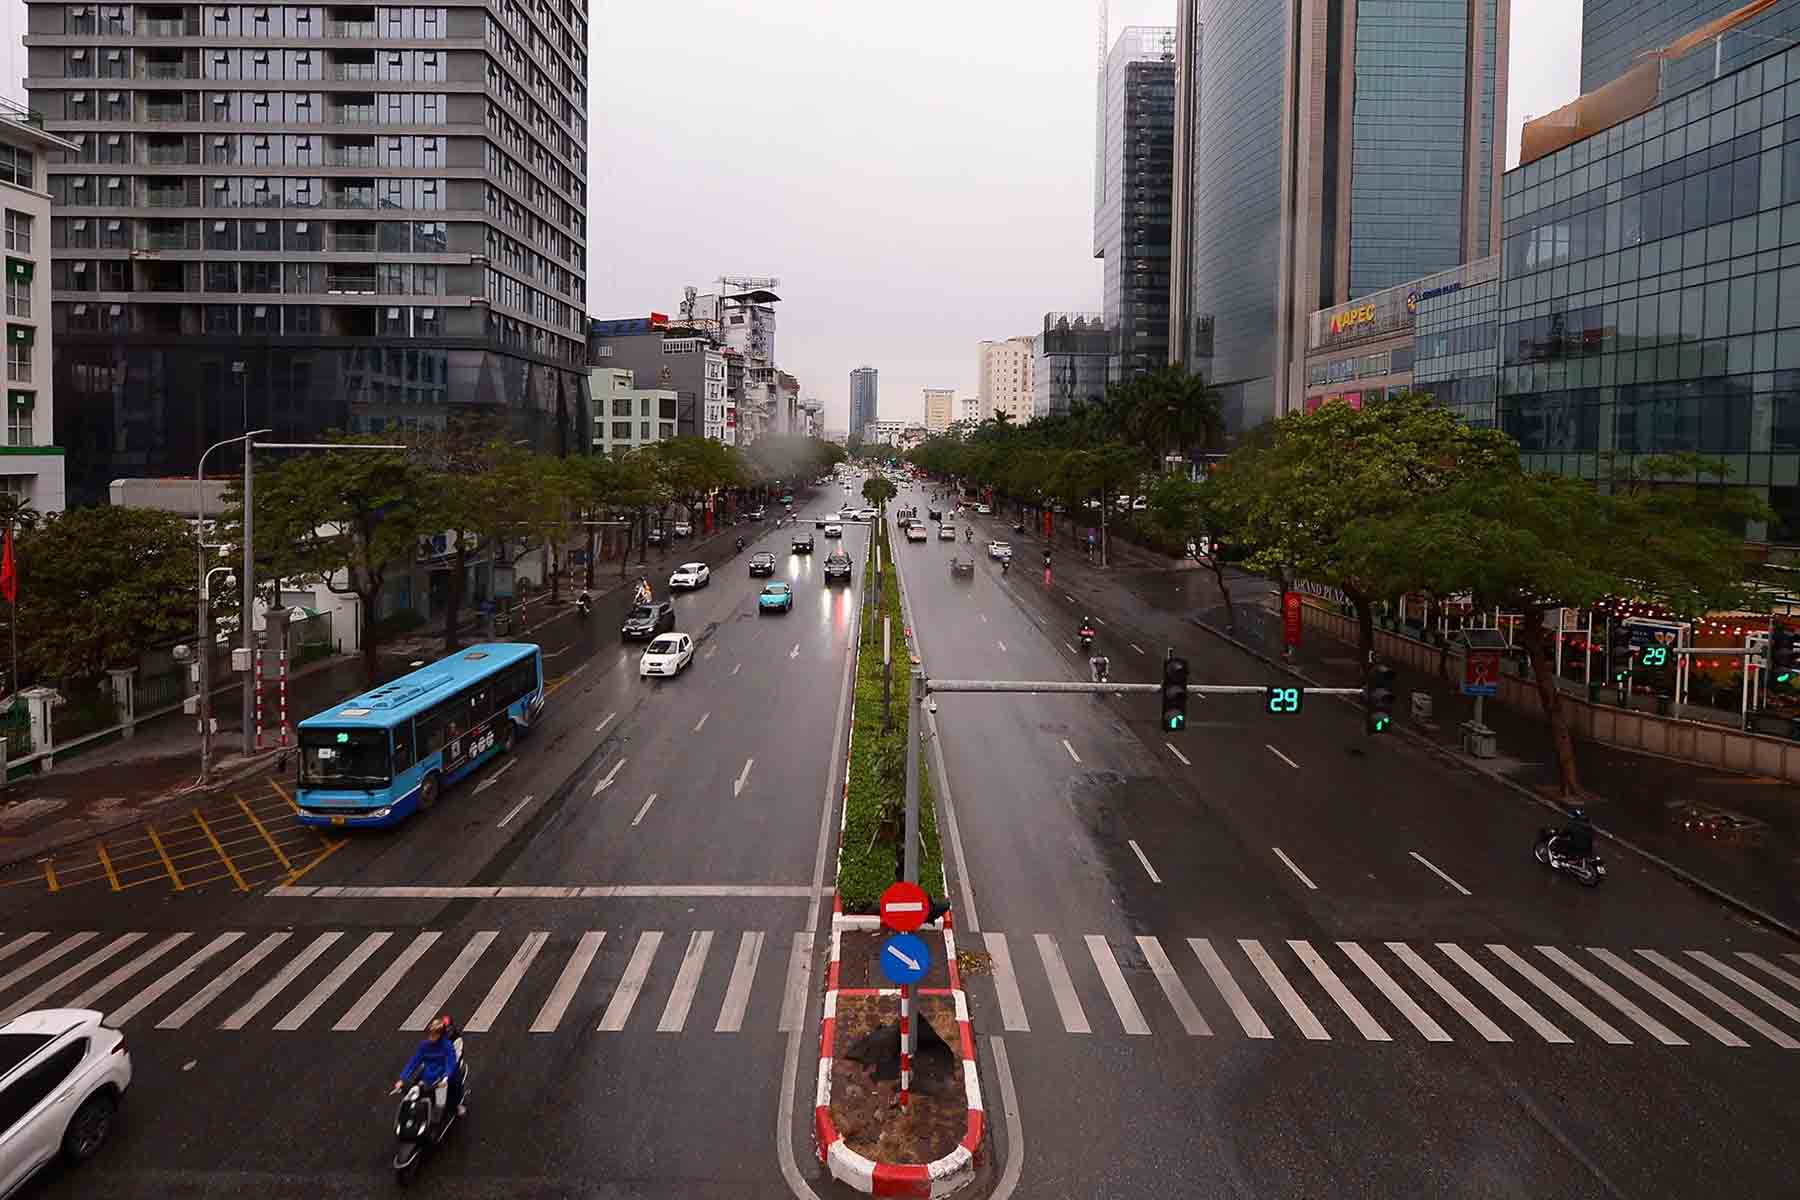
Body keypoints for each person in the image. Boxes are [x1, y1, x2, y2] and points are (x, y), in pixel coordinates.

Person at [392, 1014, 463, 1122]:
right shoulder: (424, 1045)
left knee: (442, 1100)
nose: (431, 1037)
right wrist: (402, 1078)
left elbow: (450, 1063)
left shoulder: (448, 1045)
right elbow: (414, 1061)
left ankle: (455, 1106)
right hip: (428, 1073)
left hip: (442, 1076)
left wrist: (446, 1078)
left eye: (434, 1035)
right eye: (430, 1034)